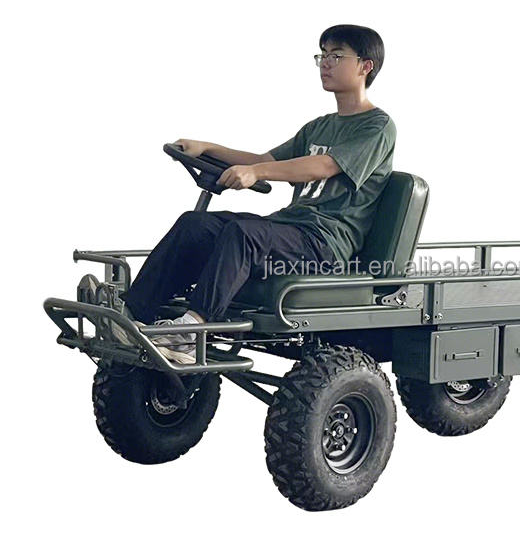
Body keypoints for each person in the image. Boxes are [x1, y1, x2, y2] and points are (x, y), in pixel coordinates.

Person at [120, 24, 396, 363]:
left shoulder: (378, 126)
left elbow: (324, 166)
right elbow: (265, 159)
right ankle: (131, 317)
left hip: (325, 244)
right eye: (322, 55)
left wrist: (258, 174)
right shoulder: (319, 126)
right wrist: (207, 147)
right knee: (195, 224)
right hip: (291, 229)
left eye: (337, 55)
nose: (325, 62)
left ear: (365, 66)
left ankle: (190, 334)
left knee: (244, 234)